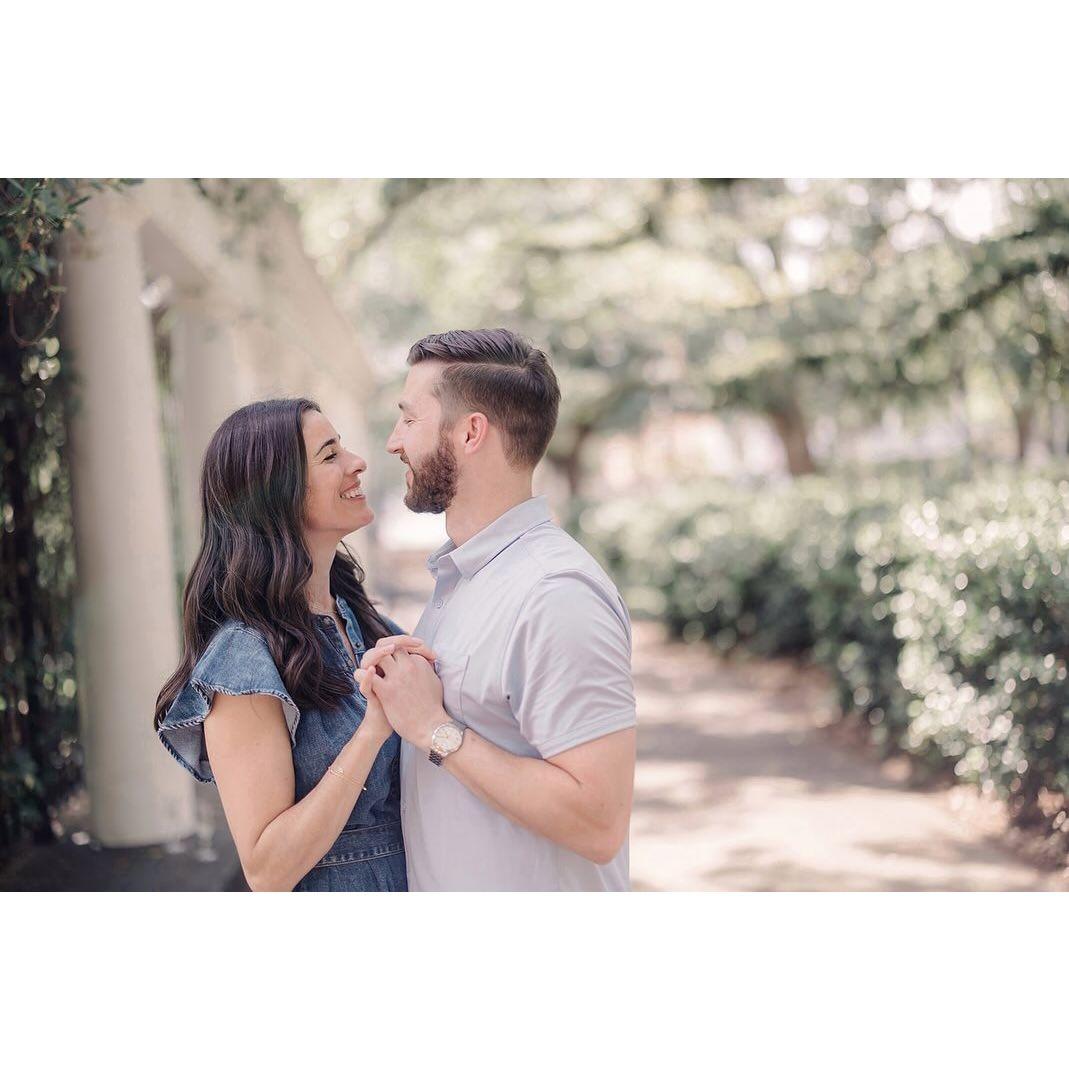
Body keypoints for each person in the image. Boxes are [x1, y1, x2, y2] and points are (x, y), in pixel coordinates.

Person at [356, 328, 637, 891]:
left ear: (470, 432)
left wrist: (434, 728)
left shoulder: (554, 593)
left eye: (409, 419)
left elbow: (598, 821)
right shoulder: (464, 577)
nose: (393, 442)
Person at [154, 398, 436, 891]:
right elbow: (267, 870)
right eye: (330, 455)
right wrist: (372, 731)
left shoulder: (370, 625)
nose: (357, 462)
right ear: (276, 494)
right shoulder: (243, 659)